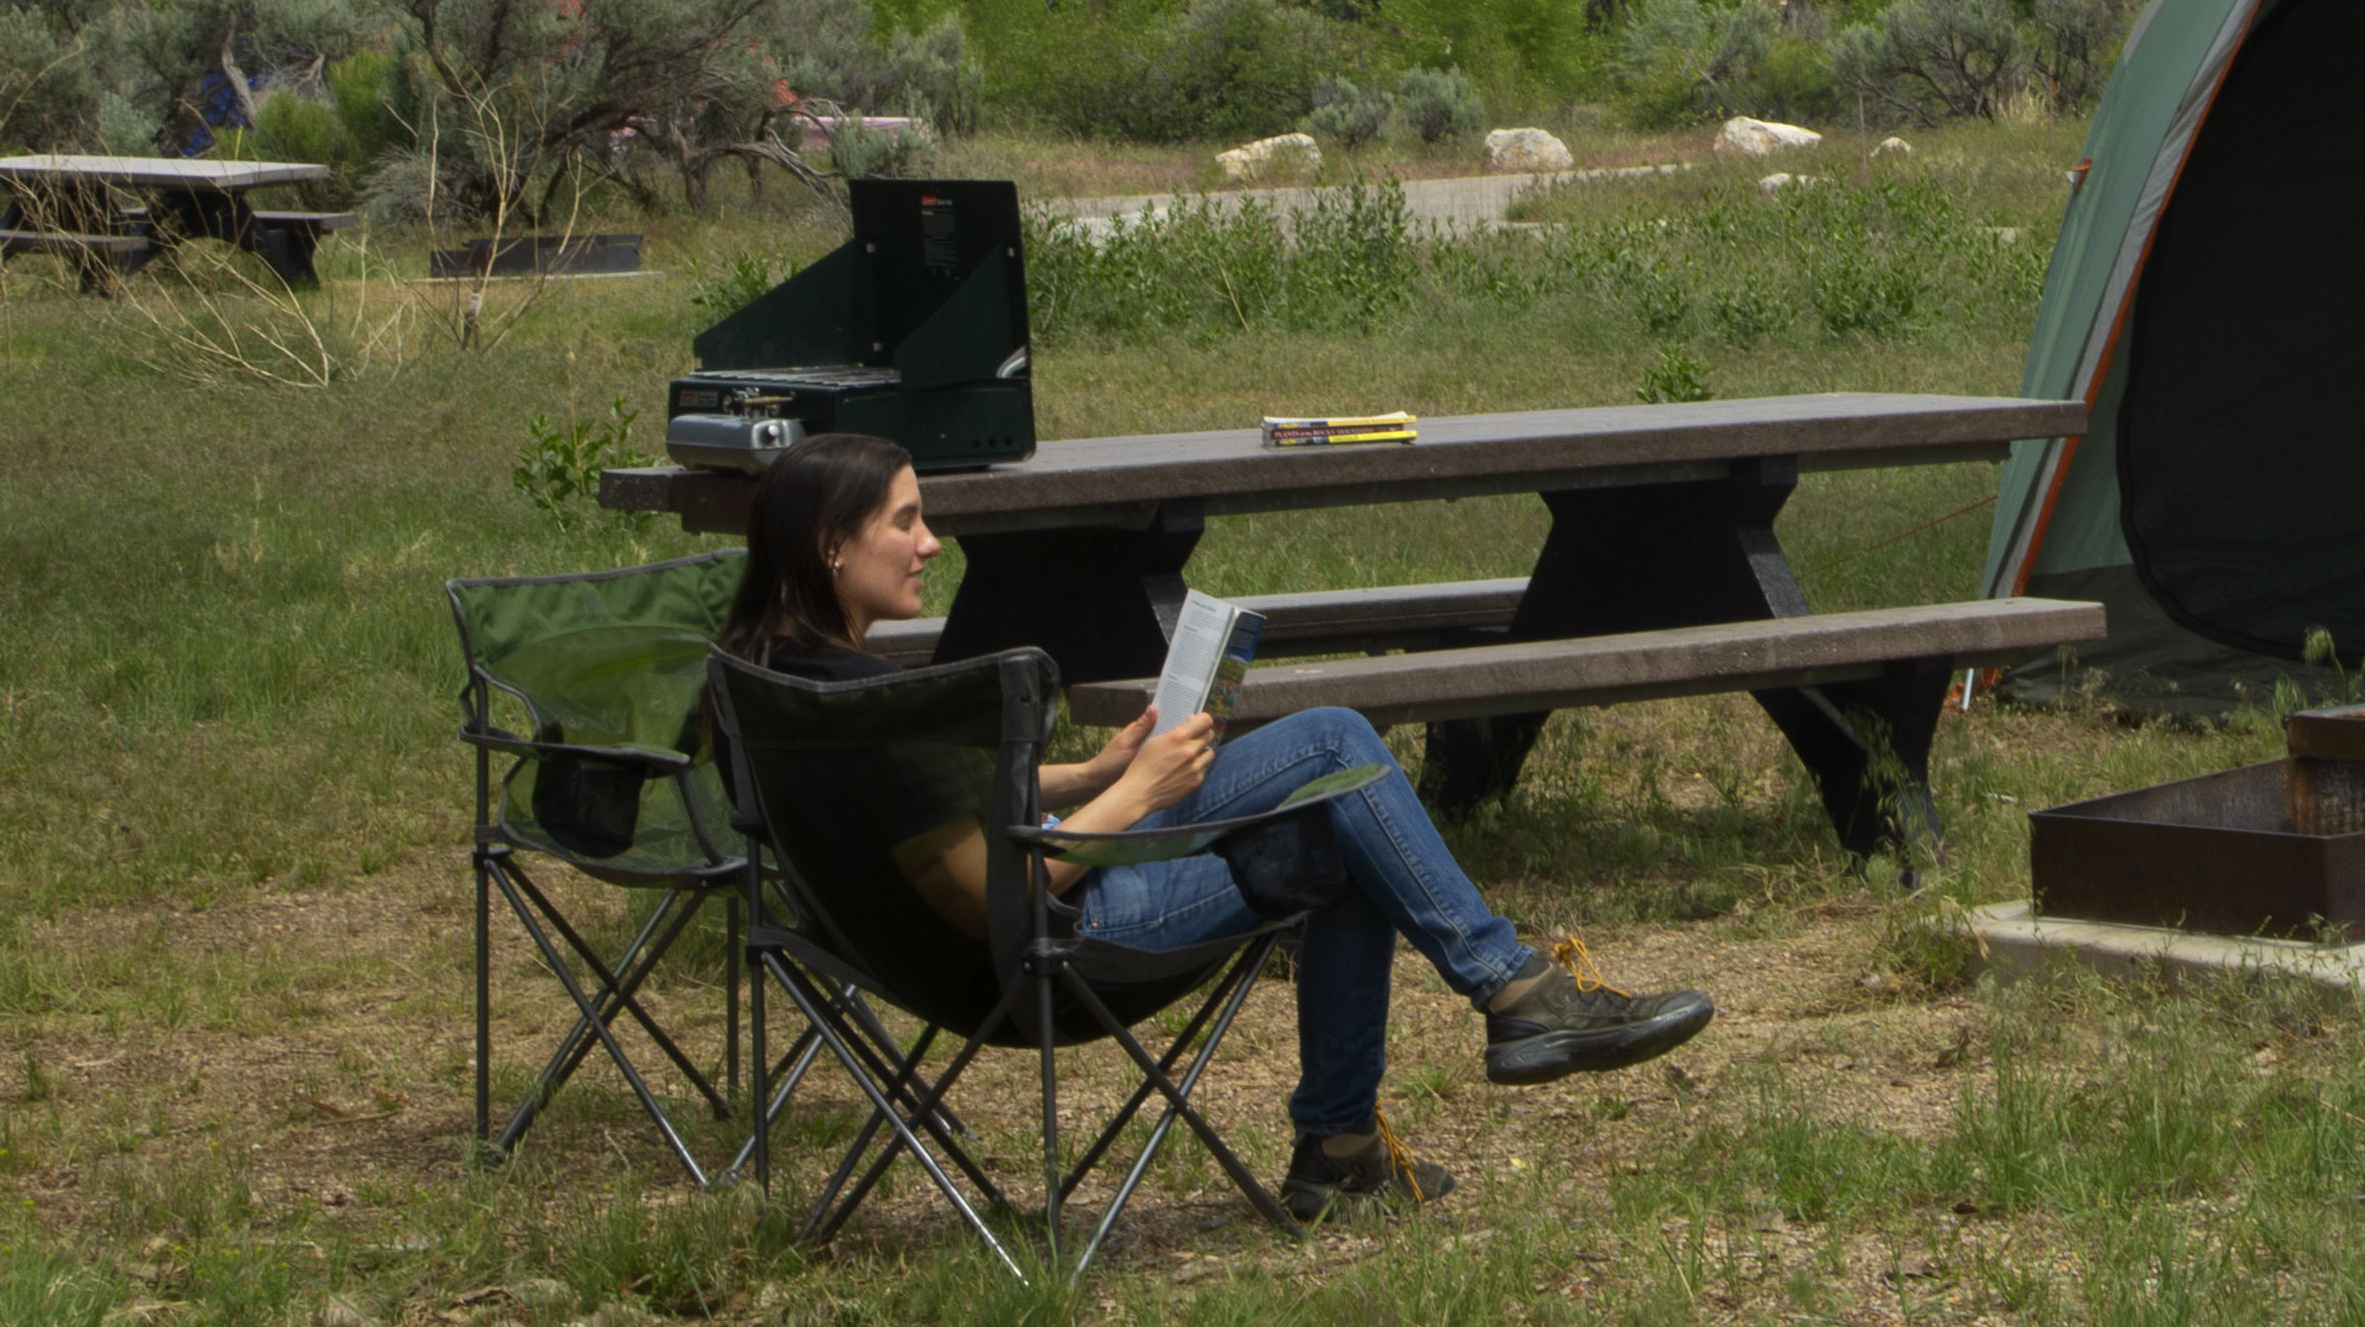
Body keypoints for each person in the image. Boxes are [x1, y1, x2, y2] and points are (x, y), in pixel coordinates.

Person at [716, 433, 1712, 1224]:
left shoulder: (781, 683)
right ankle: (1486, 1017)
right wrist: (1136, 797)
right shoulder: (869, 711)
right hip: (1057, 943)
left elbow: (928, 809)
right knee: (1338, 791)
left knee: (1334, 755)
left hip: (982, 926)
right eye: (907, 520)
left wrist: (1097, 769)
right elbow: (991, 900)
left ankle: (1397, 1099)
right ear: (832, 546)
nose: (932, 543)